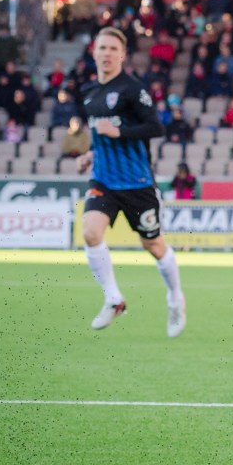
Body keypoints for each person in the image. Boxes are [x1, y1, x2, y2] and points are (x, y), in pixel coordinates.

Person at [76, 27, 186, 338]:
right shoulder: (87, 92)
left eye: (113, 49)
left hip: (137, 182)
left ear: (122, 55)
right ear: (94, 53)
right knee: (90, 232)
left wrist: (120, 133)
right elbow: (100, 135)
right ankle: (113, 299)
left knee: (153, 245)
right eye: (103, 48)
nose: (107, 53)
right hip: (104, 180)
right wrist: (89, 154)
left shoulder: (133, 90)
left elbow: (156, 128)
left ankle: (176, 297)